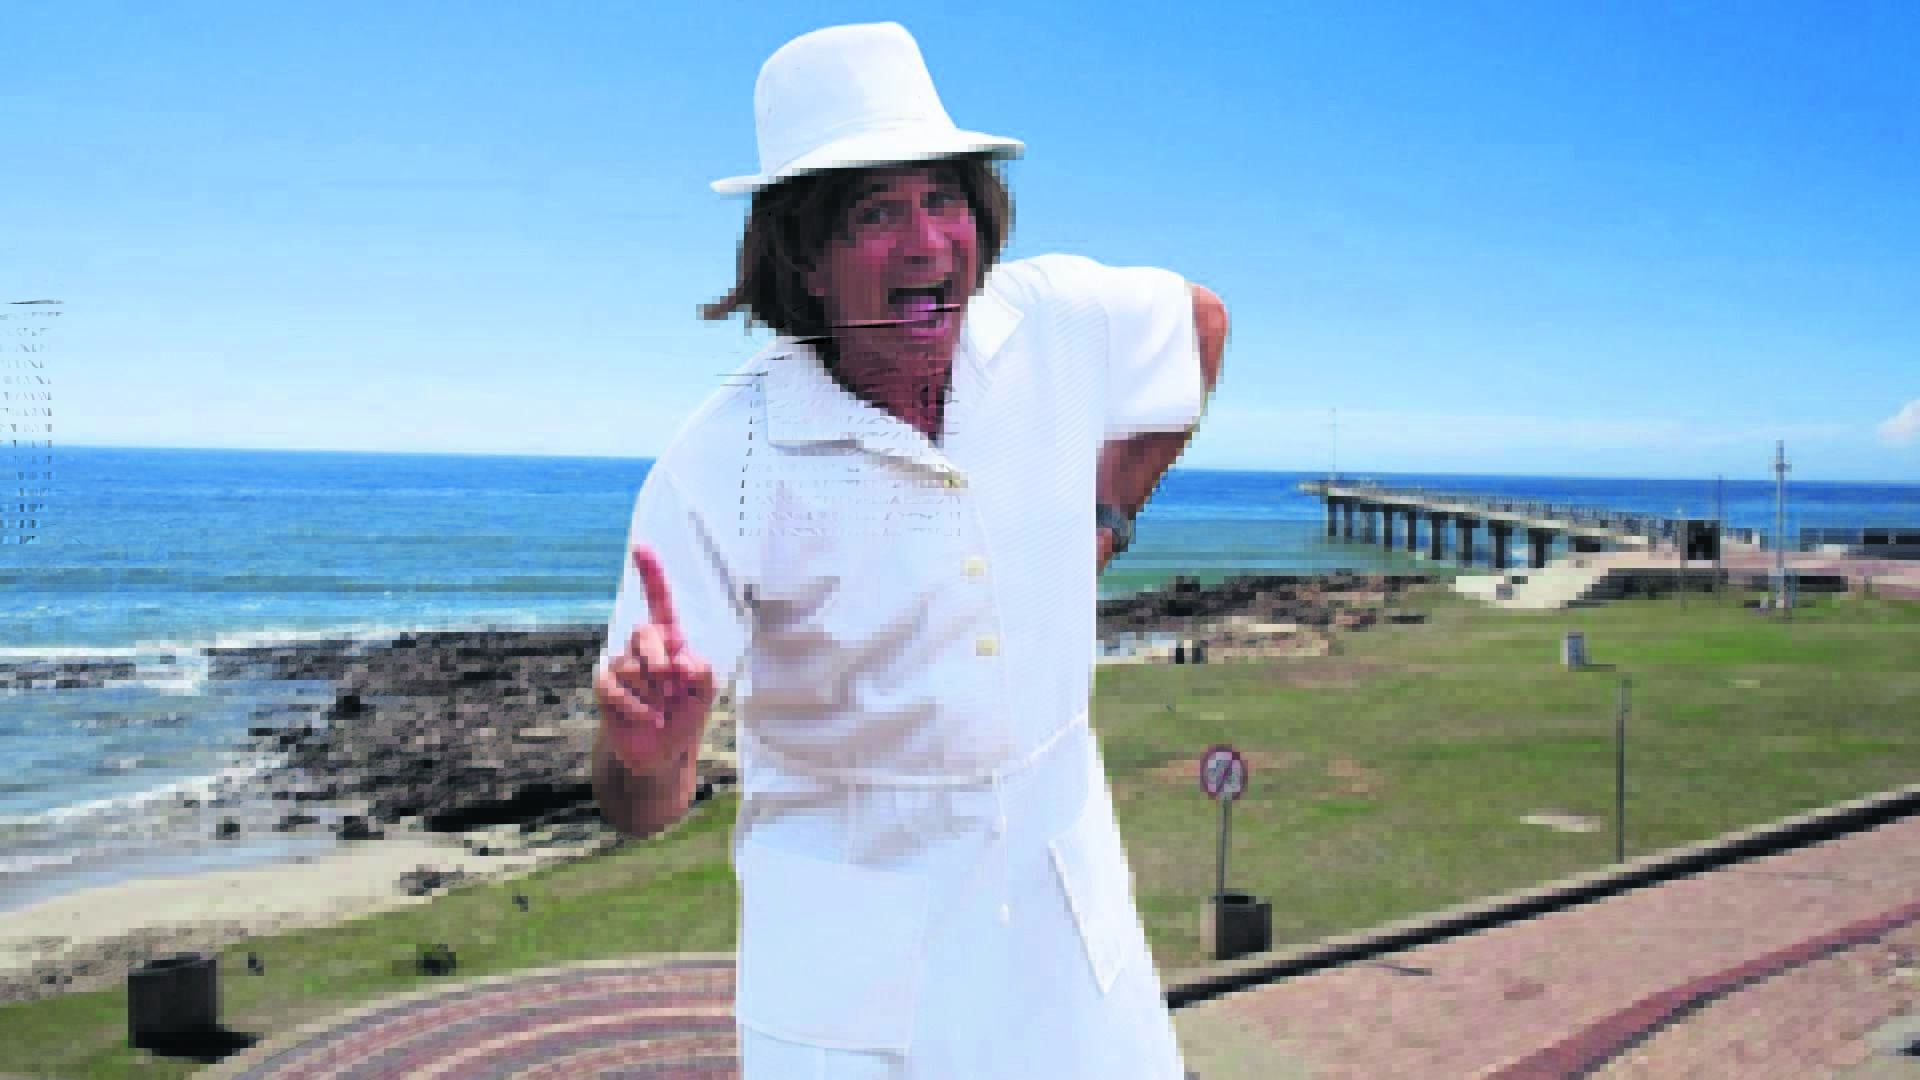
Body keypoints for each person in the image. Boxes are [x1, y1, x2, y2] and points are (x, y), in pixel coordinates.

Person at [593, 22, 1227, 1079]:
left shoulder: (1052, 322)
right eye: (876, 213)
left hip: (1071, 950)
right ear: (804, 255)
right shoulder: (723, 465)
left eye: (942, 198)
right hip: (854, 996)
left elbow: (1200, 324)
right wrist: (654, 758)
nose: (928, 243)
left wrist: (1107, 517)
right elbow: (636, 807)